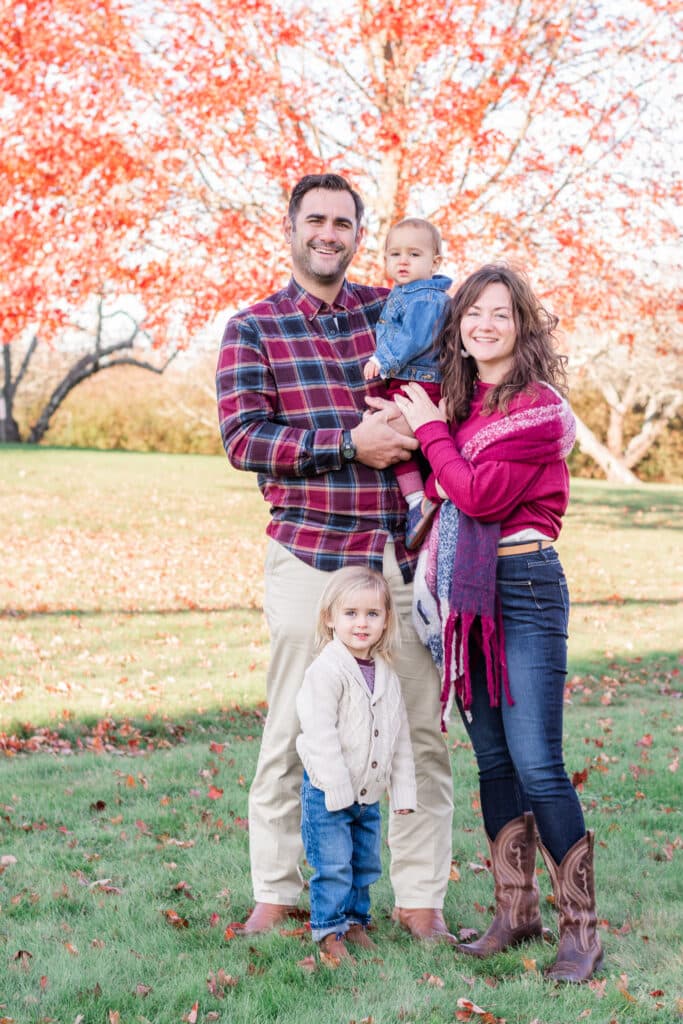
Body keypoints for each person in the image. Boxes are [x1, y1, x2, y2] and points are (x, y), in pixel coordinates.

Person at [216, 173, 456, 943]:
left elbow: (455, 369)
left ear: (359, 234)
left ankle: (420, 901)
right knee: (293, 727)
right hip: (311, 557)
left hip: (399, 558)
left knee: (419, 730)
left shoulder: (393, 308)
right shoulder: (252, 328)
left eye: (343, 223)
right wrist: (347, 444)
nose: (328, 233)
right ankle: (277, 891)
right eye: (315, 220)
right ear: (290, 227)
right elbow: (244, 440)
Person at [390, 264, 603, 983]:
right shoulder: (460, 403)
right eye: (472, 312)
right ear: (457, 326)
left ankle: (580, 928)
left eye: (500, 314)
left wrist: (428, 430)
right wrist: (421, 419)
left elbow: (476, 495)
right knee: (493, 761)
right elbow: (426, 457)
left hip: (525, 588)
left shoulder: (537, 409)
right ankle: (515, 911)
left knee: (538, 761)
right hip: (466, 598)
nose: (484, 324)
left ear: (523, 327)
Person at [296, 566, 416, 961]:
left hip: (368, 794)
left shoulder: (386, 675)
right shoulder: (326, 671)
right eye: (350, 613)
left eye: (372, 614)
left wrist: (402, 791)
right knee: (332, 865)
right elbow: (319, 734)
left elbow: (397, 737)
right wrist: (337, 788)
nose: (361, 623)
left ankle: (355, 922)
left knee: (365, 864)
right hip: (328, 791)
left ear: (385, 622)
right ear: (330, 618)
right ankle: (329, 933)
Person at [362, 218, 452, 550]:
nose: (402, 261)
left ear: (435, 262)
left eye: (414, 254)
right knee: (397, 442)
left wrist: (382, 360)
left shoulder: (425, 299)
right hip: (410, 381)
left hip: (419, 382)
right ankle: (420, 500)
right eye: (394, 253)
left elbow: (412, 337)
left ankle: (422, 499)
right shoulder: (406, 293)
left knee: (396, 436)